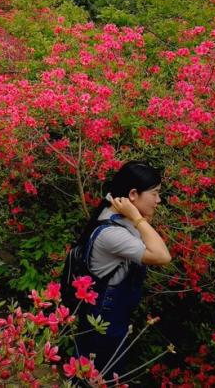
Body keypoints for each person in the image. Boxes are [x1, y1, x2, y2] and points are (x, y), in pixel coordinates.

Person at [74, 161, 171, 378]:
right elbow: (162, 256)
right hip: (103, 322)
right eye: (155, 193)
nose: (158, 200)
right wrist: (138, 218)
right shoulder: (112, 233)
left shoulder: (120, 218)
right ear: (133, 194)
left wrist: (139, 217)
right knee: (97, 378)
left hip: (112, 317)